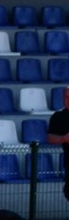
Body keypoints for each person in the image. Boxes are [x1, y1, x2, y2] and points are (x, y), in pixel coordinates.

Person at [46, 85, 69, 213]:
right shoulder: (58, 117)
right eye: (66, 97)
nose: (68, 99)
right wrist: (64, 139)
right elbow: (50, 138)